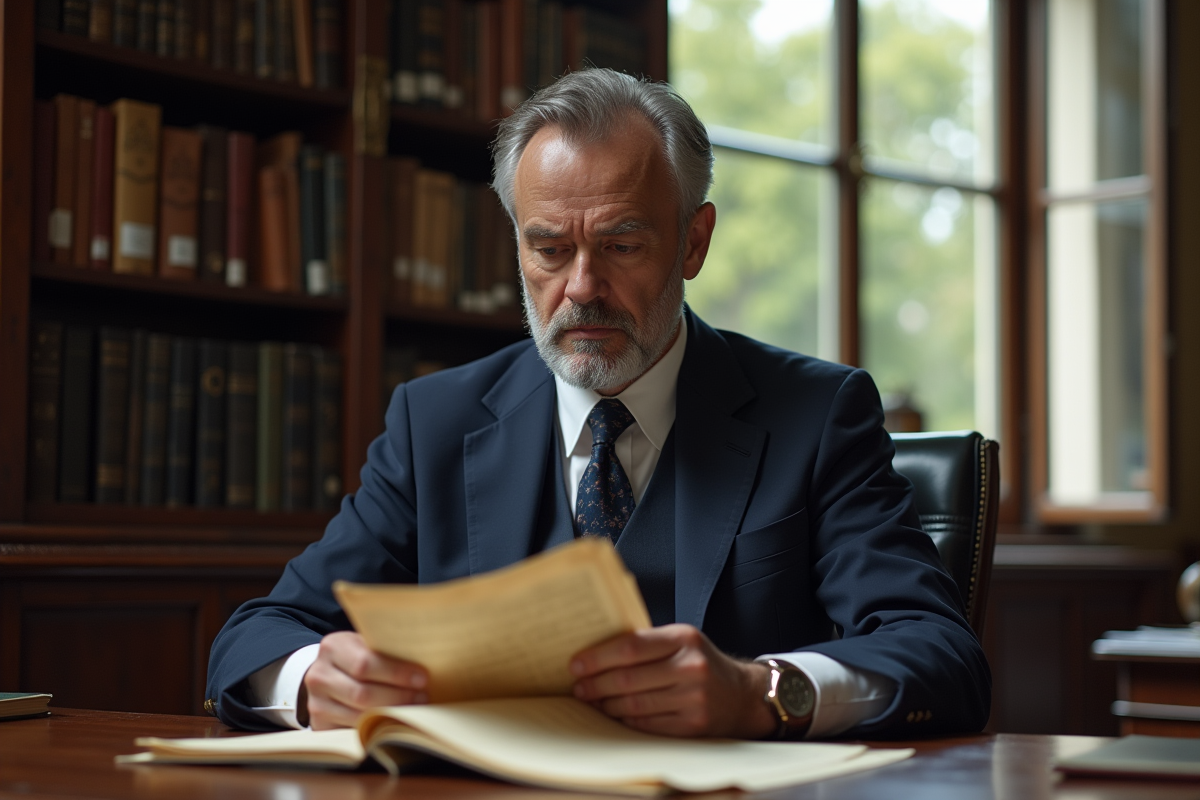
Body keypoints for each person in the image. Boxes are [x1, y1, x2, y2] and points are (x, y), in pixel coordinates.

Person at [206, 68, 990, 740]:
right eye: (549, 248)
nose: (580, 288)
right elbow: (253, 640)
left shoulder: (818, 415)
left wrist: (762, 692)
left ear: (693, 242)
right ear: (517, 245)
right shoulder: (433, 423)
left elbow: (940, 654)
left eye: (621, 245)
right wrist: (315, 681)